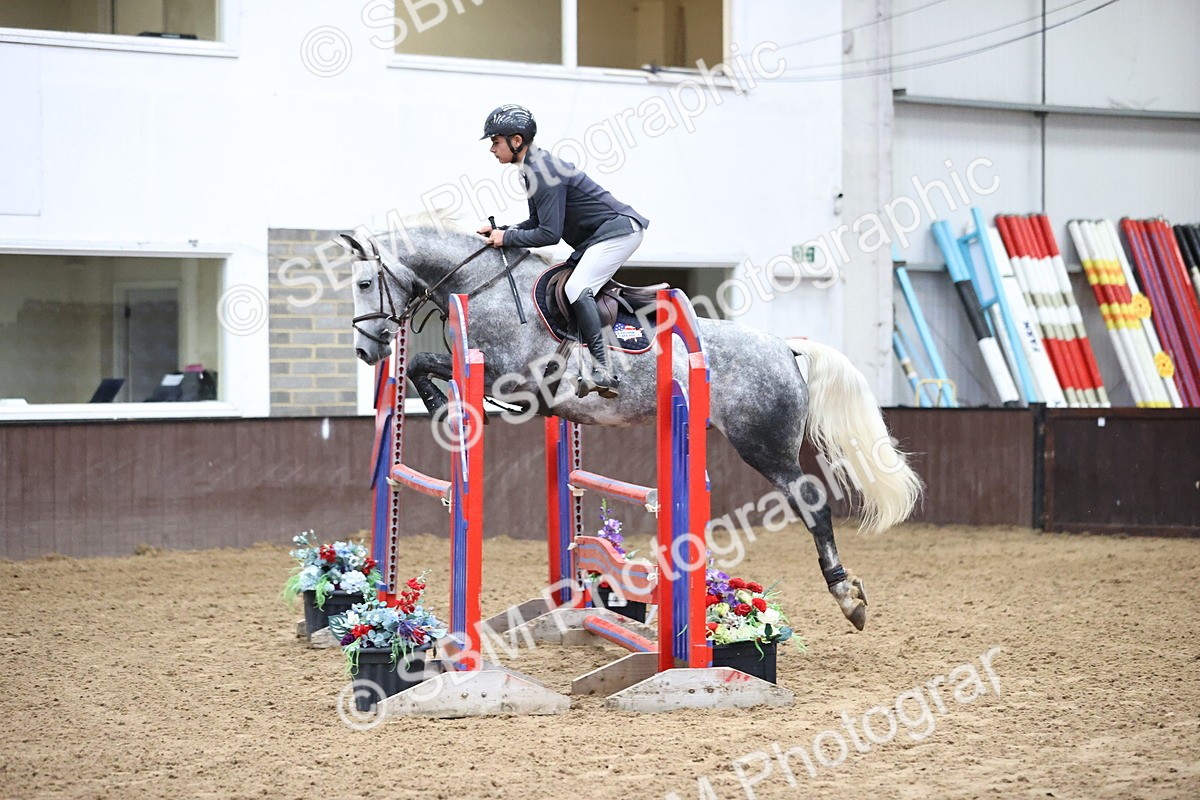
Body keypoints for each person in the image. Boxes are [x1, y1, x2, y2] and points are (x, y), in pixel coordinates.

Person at [476, 104, 649, 399]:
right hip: (600, 236)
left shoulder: (542, 170)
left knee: (577, 287)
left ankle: (604, 370)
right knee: (575, 286)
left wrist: (507, 238)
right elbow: (537, 223)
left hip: (619, 232)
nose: (492, 149)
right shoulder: (532, 170)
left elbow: (549, 235)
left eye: (495, 141)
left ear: (516, 141)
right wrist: (502, 231)